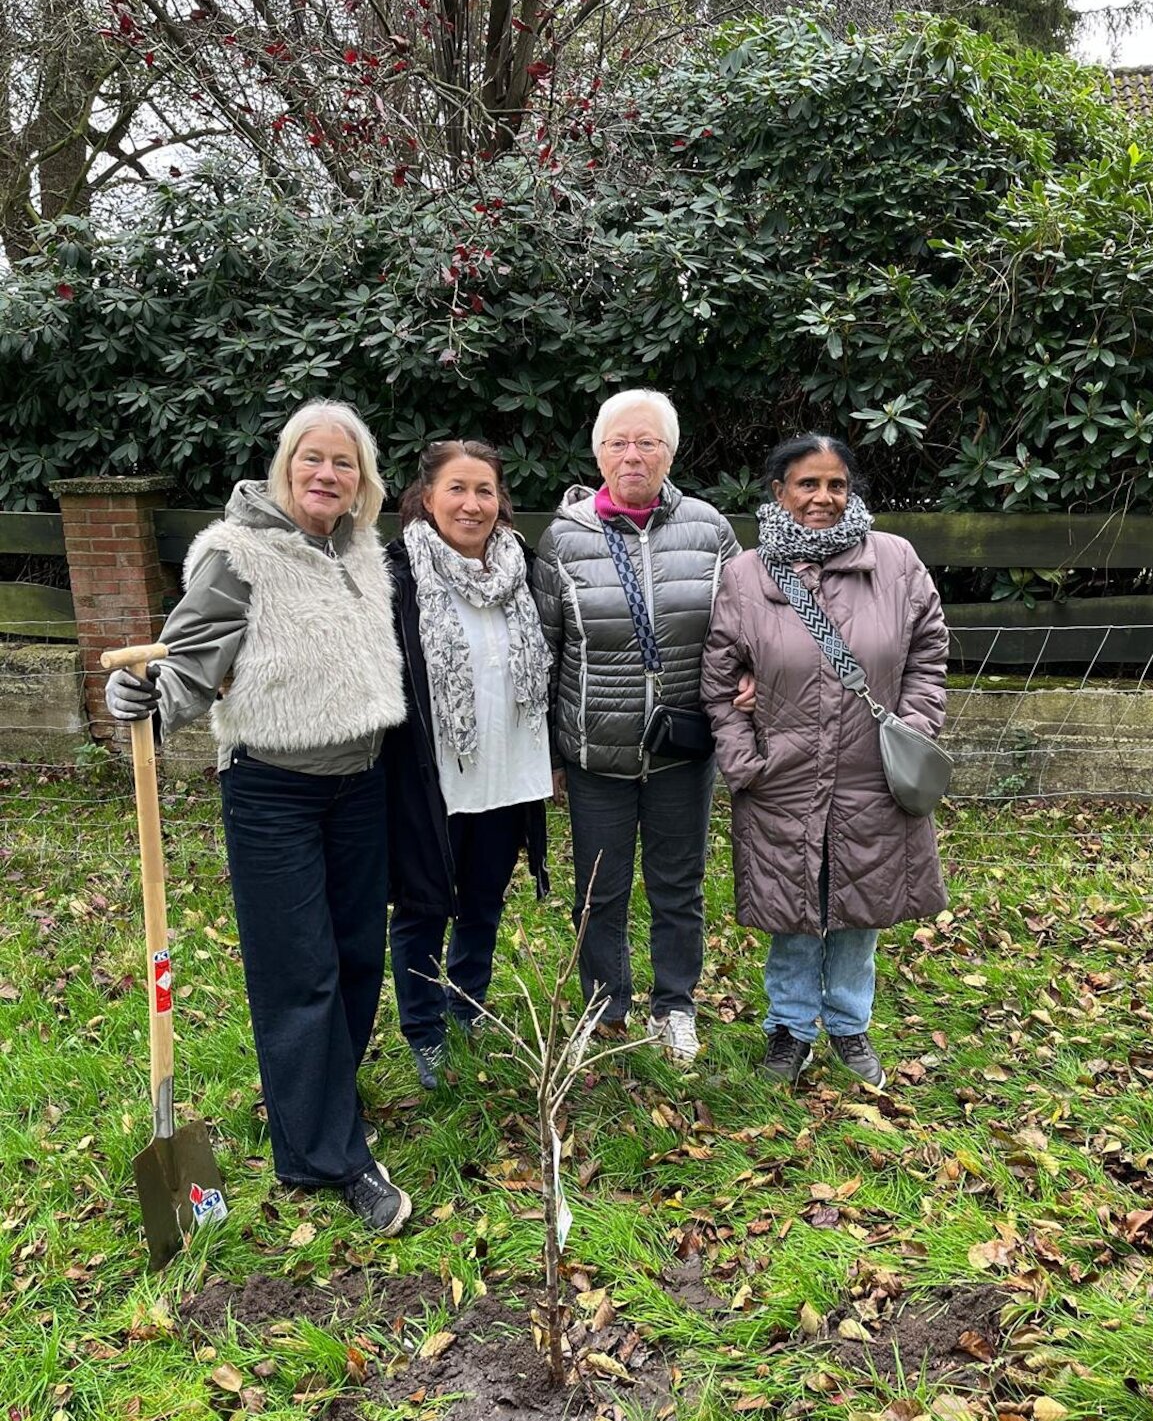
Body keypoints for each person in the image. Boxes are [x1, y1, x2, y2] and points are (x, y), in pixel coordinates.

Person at [103, 399, 413, 1235]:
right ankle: (329, 1158)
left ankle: (320, 1100)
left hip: (361, 782)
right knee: (299, 970)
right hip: (275, 789)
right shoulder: (235, 556)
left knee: (354, 959)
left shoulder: (362, 552)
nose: (326, 474)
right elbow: (186, 661)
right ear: (285, 465)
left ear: (361, 481)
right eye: (312, 458)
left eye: (343, 463)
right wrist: (144, 700)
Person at [700, 433, 948, 1090]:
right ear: (778, 491)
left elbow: (928, 653)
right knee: (793, 905)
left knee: (859, 902)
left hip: (873, 774)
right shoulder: (747, 575)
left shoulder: (895, 562)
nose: (823, 497)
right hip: (781, 773)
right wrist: (743, 759)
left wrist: (914, 728)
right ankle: (789, 1027)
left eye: (835, 484)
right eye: (807, 483)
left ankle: (847, 1022)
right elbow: (719, 677)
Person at [531, 388, 741, 1061]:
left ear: (670, 452)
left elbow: (743, 630)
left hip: (683, 750)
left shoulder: (709, 530)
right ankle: (606, 1005)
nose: (632, 455)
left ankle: (674, 1003)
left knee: (679, 885)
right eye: (618, 442)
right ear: (597, 452)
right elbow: (543, 649)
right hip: (597, 750)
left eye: (647, 442)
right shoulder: (565, 539)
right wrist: (550, 757)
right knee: (600, 889)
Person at [384, 440, 552, 1090]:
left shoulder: (525, 569)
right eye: (457, 488)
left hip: (509, 769)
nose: (472, 503)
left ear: (499, 500)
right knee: (425, 903)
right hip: (430, 775)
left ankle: (467, 1008)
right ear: (427, 497)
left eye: (484, 490)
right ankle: (424, 1028)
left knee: (484, 898)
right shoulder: (396, 574)